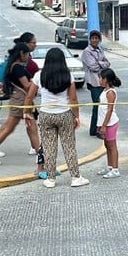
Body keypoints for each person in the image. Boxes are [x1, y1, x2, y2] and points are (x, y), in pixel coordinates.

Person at [23, 48, 89, 188]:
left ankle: (50, 179)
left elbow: (29, 97)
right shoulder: (68, 76)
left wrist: (27, 113)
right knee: (69, 146)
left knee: (48, 147)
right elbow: (73, 98)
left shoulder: (39, 76)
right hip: (64, 114)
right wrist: (76, 116)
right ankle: (75, 177)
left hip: (45, 115)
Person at [0, 43, 41, 163]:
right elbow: (27, 86)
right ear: (22, 54)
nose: (28, 56)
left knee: (31, 126)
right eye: (27, 54)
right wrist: (36, 83)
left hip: (21, 99)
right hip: (20, 100)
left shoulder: (14, 66)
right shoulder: (17, 67)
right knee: (8, 128)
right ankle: (41, 155)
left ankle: (41, 155)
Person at [81, 30, 110, 137]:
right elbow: (93, 67)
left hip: (102, 82)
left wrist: (100, 63)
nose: (94, 40)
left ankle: (96, 129)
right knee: (97, 106)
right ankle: (96, 130)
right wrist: (102, 63)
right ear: (90, 39)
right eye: (92, 38)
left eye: (96, 38)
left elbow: (108, 63)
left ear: (99, 40)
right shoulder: (87, 52)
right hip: (93, 83)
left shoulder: (100, 50)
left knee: (102, 106)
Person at [96, 68, 122, 179]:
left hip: (110, 123)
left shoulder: (110, 92)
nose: (99, 80)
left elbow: (109, 110)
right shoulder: (104, 91)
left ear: (105, 79)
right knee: (107, 145)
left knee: (112, 146)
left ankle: (115, 169)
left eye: (100, 78)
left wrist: (104, 125)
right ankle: (110, 166)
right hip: (104, 122)